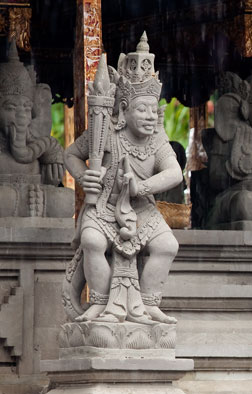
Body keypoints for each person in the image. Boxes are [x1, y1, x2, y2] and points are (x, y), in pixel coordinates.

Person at [64, 34, 182, 324]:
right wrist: (84, 178)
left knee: (168, 246)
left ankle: (149, 302)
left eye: (154, 110)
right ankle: (100, 303)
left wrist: (142, 187)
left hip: (142, 208)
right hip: (104, 206)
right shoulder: (105, 133)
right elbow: (71, 155)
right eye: (142, 109)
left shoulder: (157, 142)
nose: (150, 117)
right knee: (92, 241)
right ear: (124, 108)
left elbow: (175, 173)